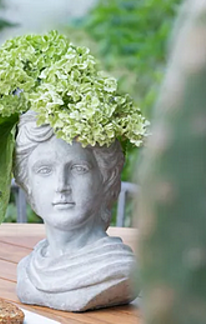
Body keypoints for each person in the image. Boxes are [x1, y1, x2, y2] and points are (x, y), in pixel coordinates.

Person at [15, 110, 138, 312]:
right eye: (45, 170)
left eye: (78, 168)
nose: (61, 185)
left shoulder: (118, 270)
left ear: (105, 179)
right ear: (28, 185)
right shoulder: (29, 269)